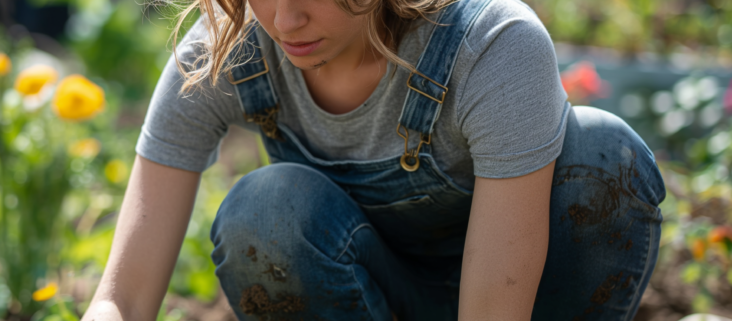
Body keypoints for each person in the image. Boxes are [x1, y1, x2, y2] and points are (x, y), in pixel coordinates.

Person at [80, 0, 667, 319]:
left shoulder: (492, 45)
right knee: (265, 212)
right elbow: (122, 299)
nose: (286, 20)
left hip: (513, 303)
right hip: (364, 299)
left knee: (599, 154)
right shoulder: (222, 55)